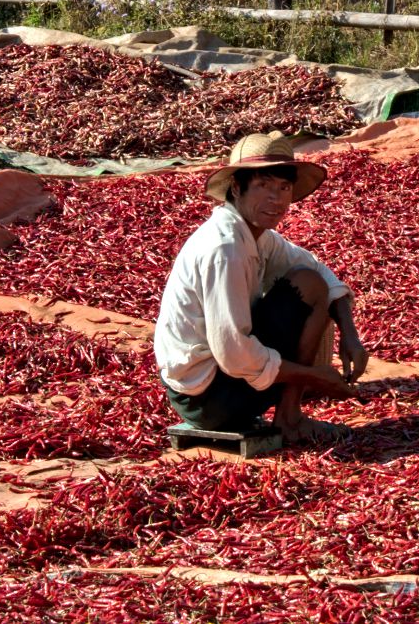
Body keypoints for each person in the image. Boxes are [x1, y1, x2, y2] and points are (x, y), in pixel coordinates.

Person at [154, 131, 369, 443]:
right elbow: (234, 355)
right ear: (237, 188)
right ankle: (290, 418)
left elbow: (319, 272)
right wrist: (314, 377)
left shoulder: (257, 236)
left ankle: (288, 414)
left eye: (283, 187)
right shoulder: (224, 248)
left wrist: (350, 335)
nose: (276, 198)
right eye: (263, 186)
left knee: (310, 280)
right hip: (208, 400)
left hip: (221, 383)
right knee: (306, 286)